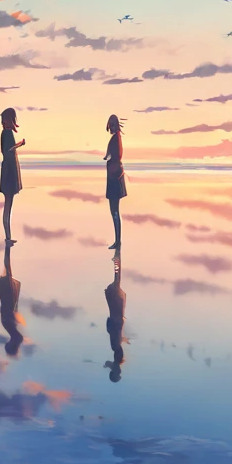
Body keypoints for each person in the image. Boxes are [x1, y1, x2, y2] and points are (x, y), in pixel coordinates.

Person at [0, 107, 24, 244]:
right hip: (9, 170)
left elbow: (7, 150)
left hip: (8, 168)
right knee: (8, 203)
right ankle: (7, 237)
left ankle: (8, 236)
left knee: (8, 203)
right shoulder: (7, 133)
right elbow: (8, 150)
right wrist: (19, 144)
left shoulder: (5, 133)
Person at [0, 242, 25, 356]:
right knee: (8, 269)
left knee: (7, 269)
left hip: (7, 297)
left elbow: (6, 311)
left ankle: (7, 246)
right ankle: (7, 247)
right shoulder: (12, 331)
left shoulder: (9, 328)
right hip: (9, 299)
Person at [103, 114, 127, 250]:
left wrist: (106, 157)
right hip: (116, 176)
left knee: (114, 211)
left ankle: (118, 241)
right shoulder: (117, 138)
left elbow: (112, 156)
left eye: (110, 126)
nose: (110, 129)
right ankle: (117, 240)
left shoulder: (115, 139)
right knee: (115, 211)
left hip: (114, 178)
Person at [104, 250, 126, 382]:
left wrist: (109, 366)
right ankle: (117, 259)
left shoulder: (116, 347)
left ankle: (117, 259)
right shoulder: (116, 346)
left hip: (116, 314)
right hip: (115, 314)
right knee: (116, 280)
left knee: (116, 281)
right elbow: (115, 329)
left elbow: (110, 363)